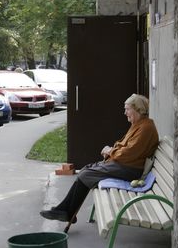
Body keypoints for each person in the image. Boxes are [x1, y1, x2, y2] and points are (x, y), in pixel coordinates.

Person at [40, 93, 159, 224]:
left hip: (129, 169)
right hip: (124, 165)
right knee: (87, 170)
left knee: (86, 174)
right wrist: (111, 151)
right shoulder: (140, 124)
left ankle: (66, 211)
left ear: (138, 109)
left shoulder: (145, 128)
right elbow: (126, 148)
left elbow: (128, 153)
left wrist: (110, 151)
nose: (125, 113)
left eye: (127, 109)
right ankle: (66, 211)